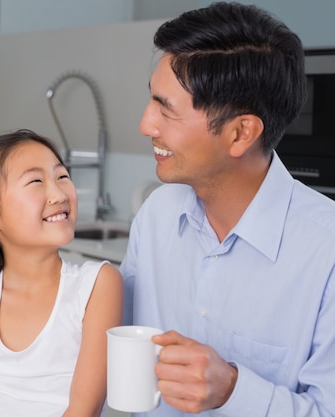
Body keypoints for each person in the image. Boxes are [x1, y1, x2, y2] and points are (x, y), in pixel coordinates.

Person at [121, 2, 335, 417]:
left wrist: (234, 389)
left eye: (167, 108)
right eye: (152, 99)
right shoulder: (157, 214)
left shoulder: (327, 251)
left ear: (241, 133)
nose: (146, 124)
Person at [0, 129, 124, 417]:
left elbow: (84, 408)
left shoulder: (97, 285)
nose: (58, 193)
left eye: (62, 176)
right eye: (36, 181)